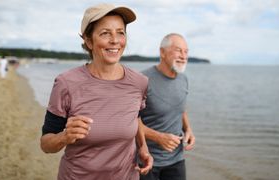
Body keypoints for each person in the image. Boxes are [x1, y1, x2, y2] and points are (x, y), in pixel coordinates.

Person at [40, 3, 153, 180]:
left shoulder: (140, 82)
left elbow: (135, 117)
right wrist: (64, 137)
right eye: (105, 33)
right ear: (88, 40)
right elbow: (46, 144)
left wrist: (143, 147)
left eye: (120, 32)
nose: (115, 40)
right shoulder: (66, 83)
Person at [139, 33, 196, 180]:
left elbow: (180, 109)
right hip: (147, 161)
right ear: (162, 52)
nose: (183, 56)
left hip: (177, 161)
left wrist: (188, 129)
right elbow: (131, 121)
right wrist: (158, 137)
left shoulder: (184, 79)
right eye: (178, 50)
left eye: (186, 51)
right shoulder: (142, 80)